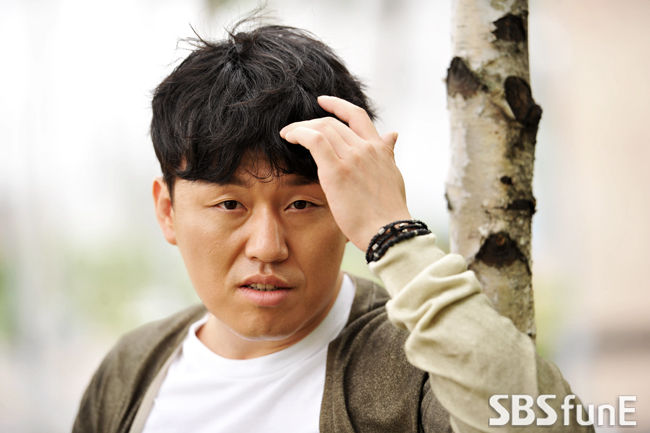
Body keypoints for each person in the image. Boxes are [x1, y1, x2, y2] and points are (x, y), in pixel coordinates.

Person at [73, 22, 593, 433]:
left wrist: (393, 233)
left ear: (347, 210)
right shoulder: (133, 369)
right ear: (167, 211)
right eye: (230, 204)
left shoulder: (415, 363)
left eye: (301, 204)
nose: (268, 248)